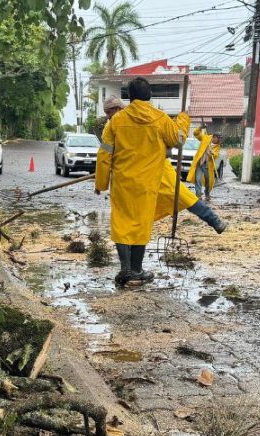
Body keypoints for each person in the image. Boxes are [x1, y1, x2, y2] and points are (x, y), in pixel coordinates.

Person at [95, 77, 226, 287]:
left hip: (123, 182)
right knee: (141, 224)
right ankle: (136, 271)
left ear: (129, 97)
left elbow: (105, 156)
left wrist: (101, 183)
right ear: (150, 96)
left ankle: (126, 269)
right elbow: (178, 139)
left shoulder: (116, 123)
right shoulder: (160, 119)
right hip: (148, 183)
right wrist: (182, 120)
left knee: (121, 223)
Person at [188, 127, 220, 201]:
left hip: (207, 166)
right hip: (200, 163)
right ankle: (198, 195)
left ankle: (207, 193)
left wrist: (213, 153)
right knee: (198, 179)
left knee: (208, 181)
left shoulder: (217, 146)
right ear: (214, 137)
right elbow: (195, 133)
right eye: (218, 139)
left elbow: (216, 155)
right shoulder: (205, 138)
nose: (219, 141)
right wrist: (200, 127)